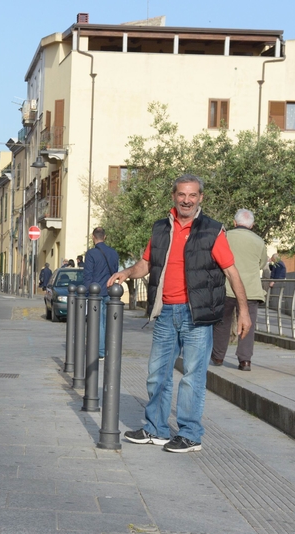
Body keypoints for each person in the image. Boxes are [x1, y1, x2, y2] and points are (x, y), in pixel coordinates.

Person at [108, 174, 251, 453]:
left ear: (200, 198)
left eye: (193, 195)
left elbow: (231, 272)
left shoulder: (213, 230)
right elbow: (146, 263)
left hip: (196, 315)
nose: (187, 200)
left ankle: (190, 435)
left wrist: (243, 311)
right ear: (174, 196)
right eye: (182, 194)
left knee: (192, 376)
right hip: (165, 312)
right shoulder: (161, 228)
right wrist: (126, 273)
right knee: (156, 373)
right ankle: (157, 429)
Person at [211, 209, 267, 372]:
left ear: (235, 223)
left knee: (222, 324)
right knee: (247, 325)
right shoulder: (259, 241)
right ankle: (245, 361)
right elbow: (262, 263)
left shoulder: (224, 237)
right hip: (250, 290)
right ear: (252, 225)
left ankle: (218, 356)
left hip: (226, 288)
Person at [83, 227, 119, 359]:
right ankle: (110, 349)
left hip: (96, 293)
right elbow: (115, 272)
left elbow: (88, 275)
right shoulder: (113, 253)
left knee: (98, 322)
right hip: (111, 292)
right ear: (105, 237)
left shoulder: (91, 254)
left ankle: (101, 351)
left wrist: (86, 293)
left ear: (93, 237)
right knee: (109, 322)